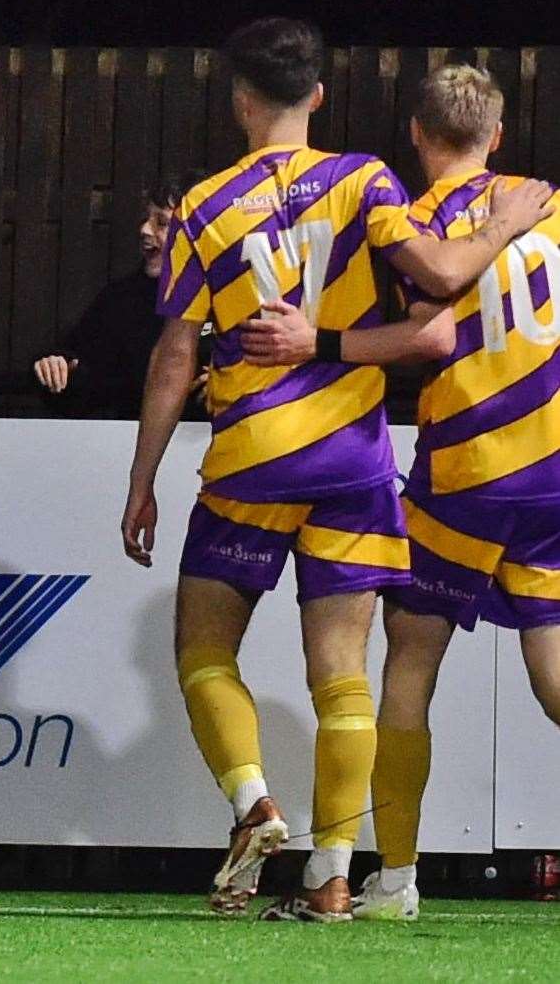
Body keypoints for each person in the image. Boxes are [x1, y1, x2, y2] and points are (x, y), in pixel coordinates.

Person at [120, 17, 552, 923]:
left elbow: (172, 356)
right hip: (359, 459)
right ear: (318, 95)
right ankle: (333, 878)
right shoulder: (366, 183)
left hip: (258, 461)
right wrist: (504, 224)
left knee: (206, 650)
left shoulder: (203, 205)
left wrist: (142, 478)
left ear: (242, 100)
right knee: (346, 674)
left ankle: (256, 805)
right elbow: (433, 307)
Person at [238, 64, 560, 922]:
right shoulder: (549, 205)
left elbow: (431, 333)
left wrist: (321, 341)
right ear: (497, 133)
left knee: (408, 666)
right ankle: (385, 879)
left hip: (466, 475)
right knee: (555, 677)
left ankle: (395, 880)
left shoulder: (415, 222)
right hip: (554, 470)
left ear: (417, 135)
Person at [33, 172, 206, 419]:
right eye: (145, 219)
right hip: (130, 444)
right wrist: (56, 369)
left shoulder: (236, 296)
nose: (145, 230)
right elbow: (83, 376)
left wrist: (229, 386)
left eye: (162, 223)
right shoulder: (121, 301)